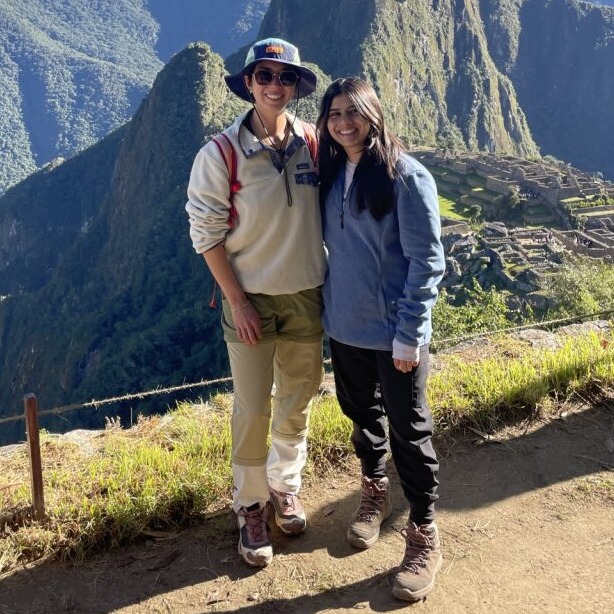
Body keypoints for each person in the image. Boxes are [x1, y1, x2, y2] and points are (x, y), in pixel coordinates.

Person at [185, 38, 325, 567]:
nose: (274, 86)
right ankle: (249, 505)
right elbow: (206, 233)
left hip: (306, 295)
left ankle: (285, 487)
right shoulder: (220, 153)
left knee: (298, 400)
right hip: (251, 302)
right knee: (251, 407)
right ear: (249, 84)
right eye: (263, 76)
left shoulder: (314, 142)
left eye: (284, 78)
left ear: (294, 87)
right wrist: (238, 302)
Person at [316, 77, 445, 601]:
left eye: (354, 112)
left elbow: (427, 261)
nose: (344, 123)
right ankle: (373, 489)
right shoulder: (327, 173)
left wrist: (410, 334)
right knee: (361, 417)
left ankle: (424, 530)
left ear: (374, 114)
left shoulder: (405, 178)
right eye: (334, 114)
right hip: (344, 328)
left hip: (394, 334)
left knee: (409, 431)